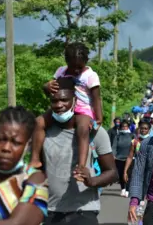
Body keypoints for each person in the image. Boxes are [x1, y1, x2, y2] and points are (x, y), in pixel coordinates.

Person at [41, 76, 118, 225]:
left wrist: (92, 180)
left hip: (84, 214)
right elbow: (36, 170)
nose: (59, 106)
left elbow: (112, 172)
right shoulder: (44, 132)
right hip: (53, 215)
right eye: (55, 101)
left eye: (64, 100)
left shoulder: (96, 133)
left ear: (74, 100)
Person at [30, 42, 103, 176]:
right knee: (38, 122)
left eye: (79, 67)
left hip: (83, 109)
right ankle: (35, 159)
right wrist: (46, 87)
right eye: (72, 67)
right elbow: (52, 91)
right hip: (62, 107)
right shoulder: (60, 72)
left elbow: (96, 98)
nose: (75, 71)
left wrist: (99, 117)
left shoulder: (91, 76)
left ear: (86, 61)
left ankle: (81, 166)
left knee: (82, 128)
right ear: (66, 61)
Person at [123, 119, 151, 184]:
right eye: (141, 128)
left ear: (149, 130)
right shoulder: (135, 142)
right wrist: (125, 172)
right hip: (137, 170)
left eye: (145, 128)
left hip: (149, 171)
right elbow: (130, 157)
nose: (143, 130)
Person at [112, 120, 134, 197]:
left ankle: (127, 190)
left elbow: (134, 146)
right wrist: (113, 155)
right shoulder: (117, 136)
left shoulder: (132, 136)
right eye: (123, 126)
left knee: (128, 174)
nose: (124, 128)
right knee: (121, 174)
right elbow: (114, 146)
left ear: (128, 127)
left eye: (126, 126)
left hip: (129, 158)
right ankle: (123, 189)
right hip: (119, 158)